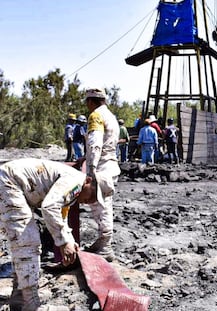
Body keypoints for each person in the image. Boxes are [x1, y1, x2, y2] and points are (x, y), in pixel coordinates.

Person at [0, 158, 99, 311]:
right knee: (27, 241)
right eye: (92, 195)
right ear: (89, 181)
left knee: (21, 243)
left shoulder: (73, 193)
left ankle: (19, 298)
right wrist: (63, 242)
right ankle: (30, 302)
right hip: (10, 182)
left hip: (11, 182)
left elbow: (61, 217)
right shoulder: (75, 181)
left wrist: (69, 241)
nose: (89, 201)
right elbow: (49, 207)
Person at [84, 88, 120, 262]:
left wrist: (90, 169)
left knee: (100, 206)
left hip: (101, 167)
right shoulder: (111, 116)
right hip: (111, 164)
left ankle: (105, 246)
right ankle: (102, 242)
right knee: (105, 205)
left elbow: (95, 144)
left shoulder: (96, 116)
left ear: (91, 101)